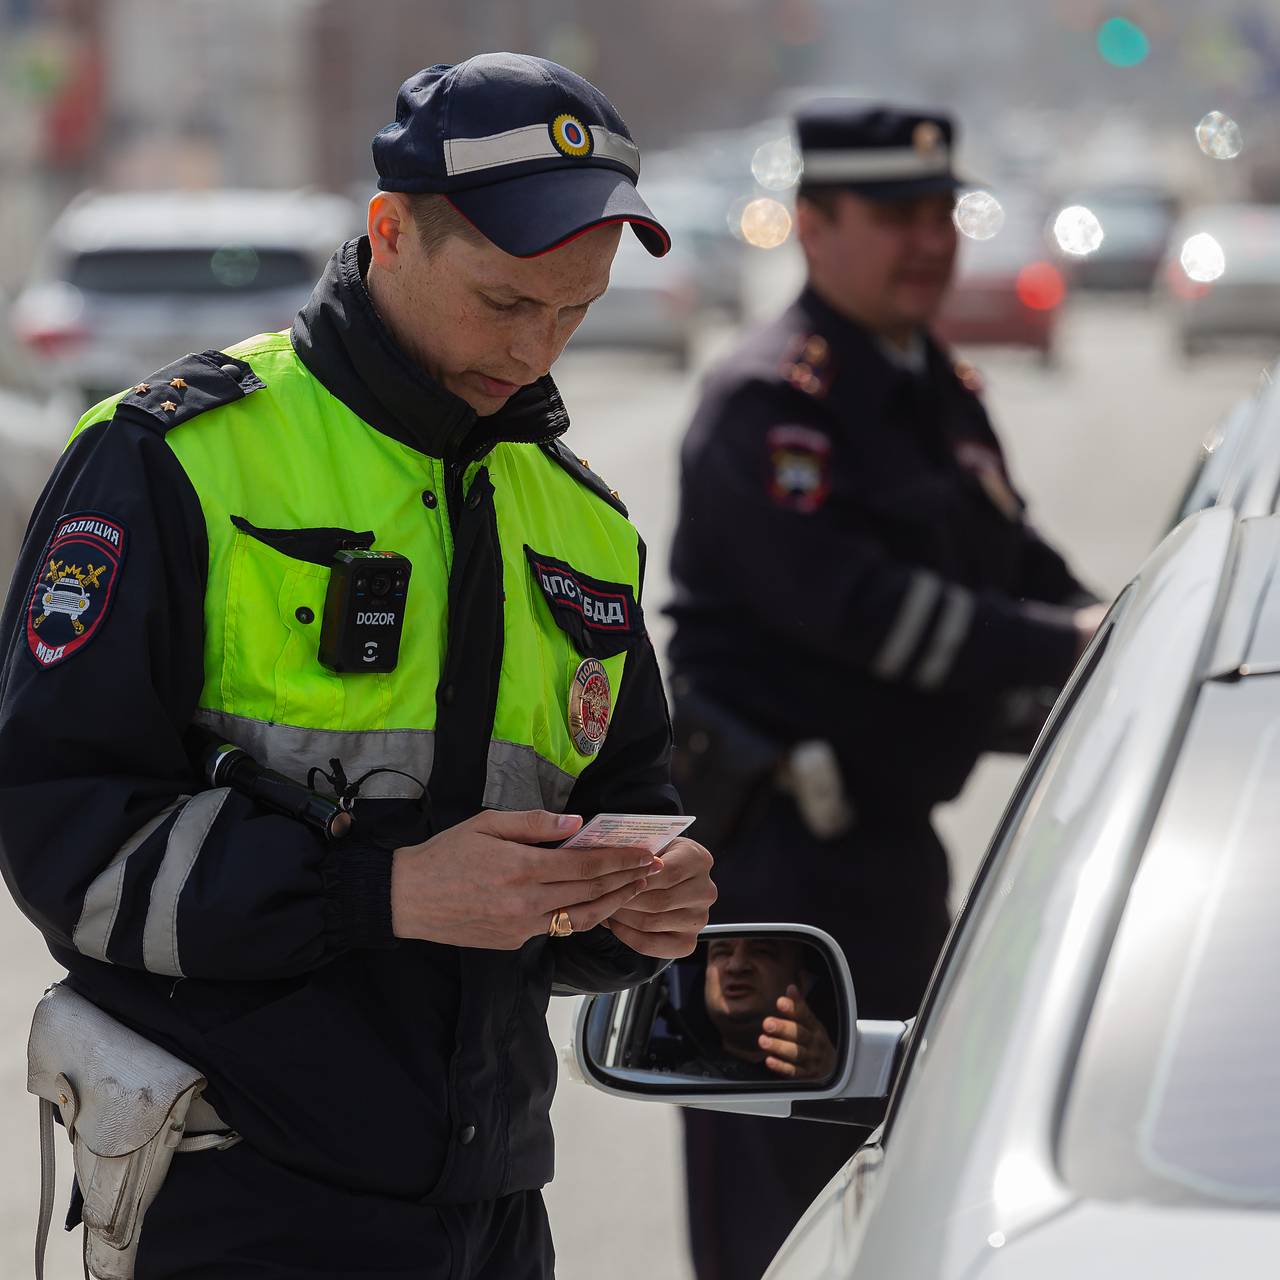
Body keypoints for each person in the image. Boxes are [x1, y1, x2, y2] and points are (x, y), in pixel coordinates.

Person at [0, 53, 715, 1280]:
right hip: (238, 1195)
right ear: (389, 231)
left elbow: (623, 805)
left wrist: (635, 910)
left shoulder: (580, 521)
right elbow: (63, 831)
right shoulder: (171, 459)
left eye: (573, 311)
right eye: (503, 304)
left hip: (489, 1203)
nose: (537, 350)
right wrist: (376, 892)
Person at [667, 102, 1103, 1279]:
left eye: (938, 214)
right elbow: (867, 616)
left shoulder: (934, 390)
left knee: (900, 1193)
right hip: (770, 881)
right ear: (811, 225)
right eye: (892, 216)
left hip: (889, 862)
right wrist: (1072, 642)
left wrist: (1124, 631)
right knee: (779, 1219)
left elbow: (1026, 570)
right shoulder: (770, 404)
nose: (927, 242)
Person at [673, 936, 837, 1083]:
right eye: (722, 952)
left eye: (761, 951)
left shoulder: (828, 1069)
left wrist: (830, 1074)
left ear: (802, 982)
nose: (736, 966)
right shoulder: (672, 1074)